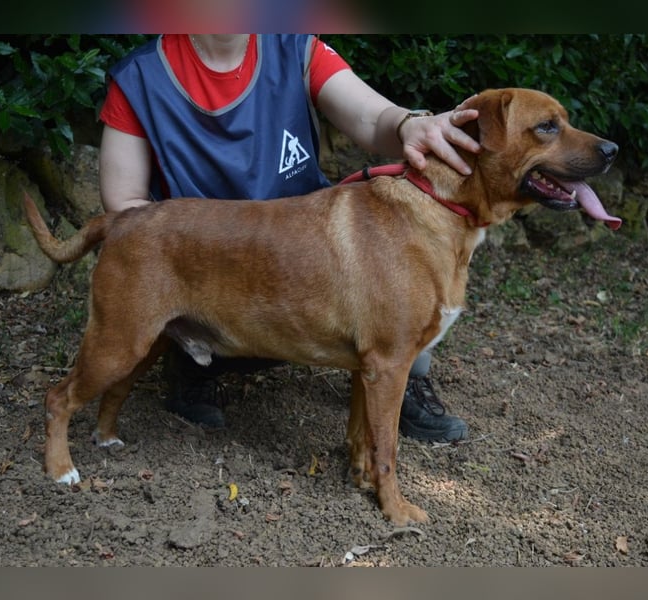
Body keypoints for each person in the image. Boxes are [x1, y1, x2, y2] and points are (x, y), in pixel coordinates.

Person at [98, 34, 481, 443]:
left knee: (395, 295)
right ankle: (192, 367)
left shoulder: (295, 47)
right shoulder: (139, 77)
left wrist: (410, 123)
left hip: (301, 261)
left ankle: (400, 381)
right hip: (210, 268)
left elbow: (372, 119)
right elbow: (125, 208)